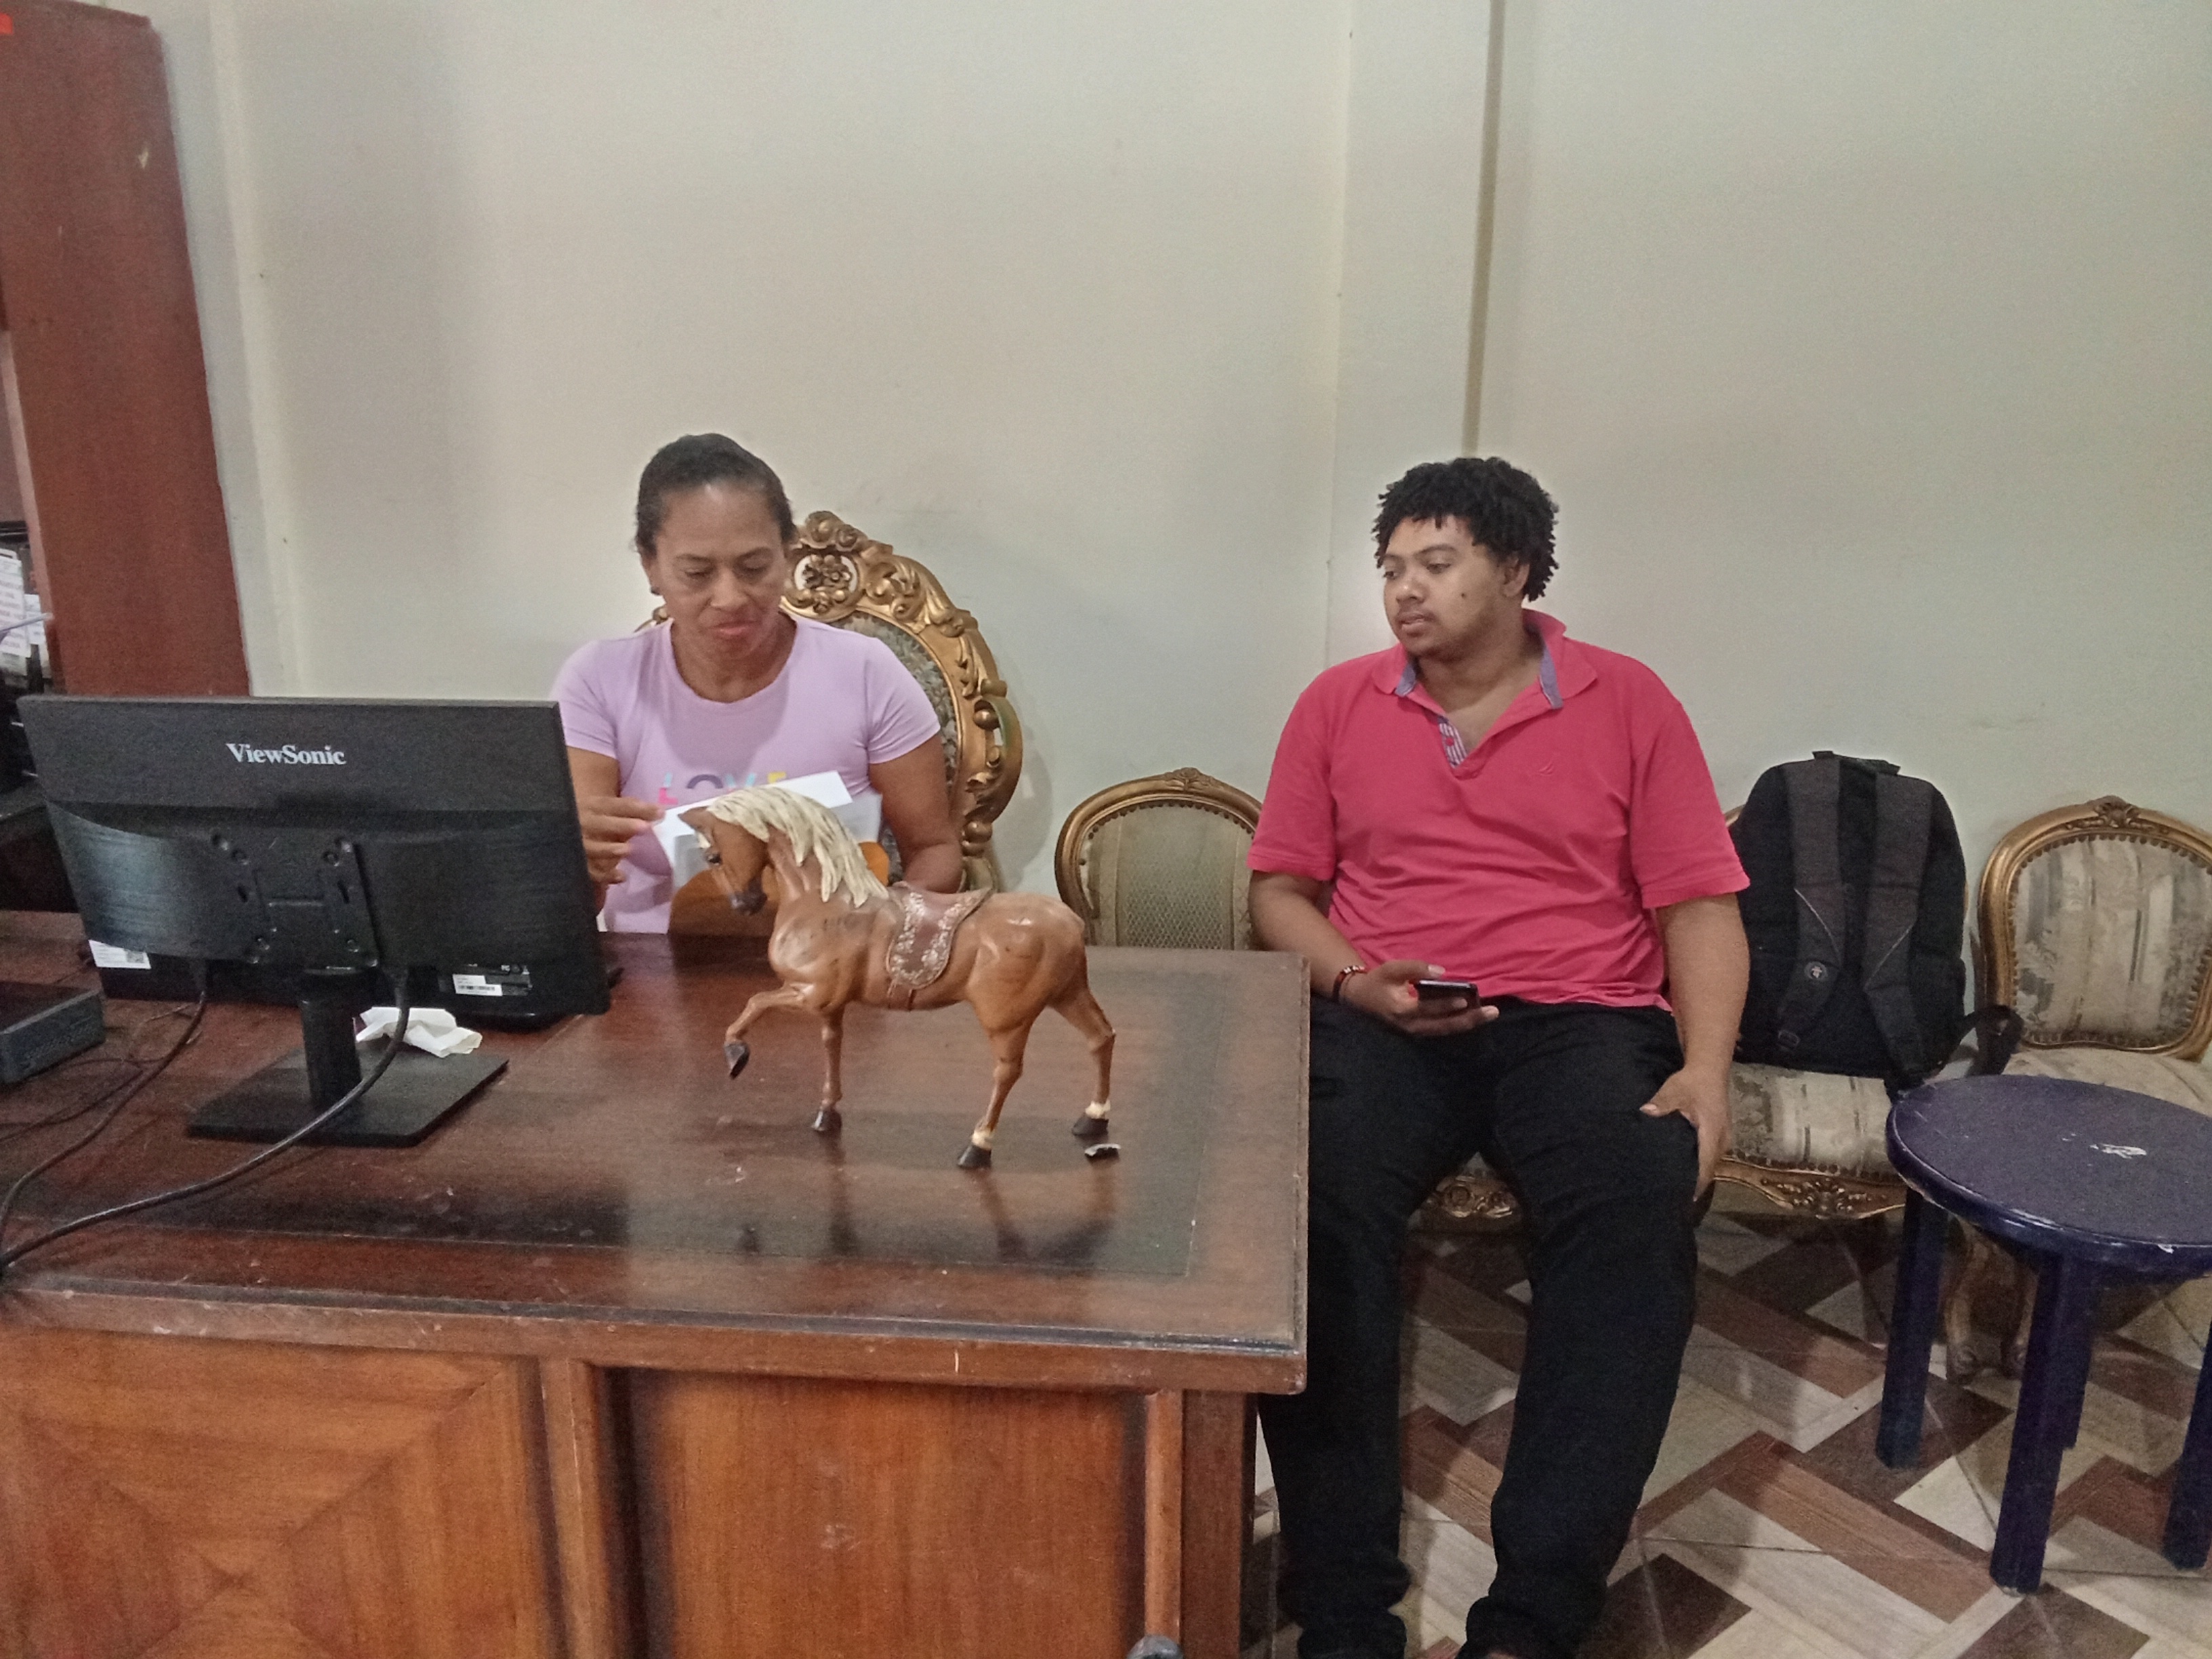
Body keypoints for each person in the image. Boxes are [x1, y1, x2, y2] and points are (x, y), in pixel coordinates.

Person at [1246, 457, 1748, 1659]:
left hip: (1581, 1021)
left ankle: (1535, 1613)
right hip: (1388, 1016)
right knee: (1302, 1209)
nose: (1403, 590)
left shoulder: (1628, 701)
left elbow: (1697, 906)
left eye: (1436, 563)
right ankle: (1341, 1605)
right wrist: (1353, 980)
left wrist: (1706, 1073)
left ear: (1516, 569)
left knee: (1634, 1210)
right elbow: (1280, 893)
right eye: (1390, 568)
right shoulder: (1336, 704)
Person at [554, 434, 962, 928]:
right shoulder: (600, 682)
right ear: (650, 565)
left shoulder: (864, 672)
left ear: (787, 554)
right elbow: (579, 896)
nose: (730, 598)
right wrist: (571, 859)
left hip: (834, 956)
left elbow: (935, 850)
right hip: (651, 963)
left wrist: (882, 935)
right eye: (697, 573)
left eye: (754, 567)